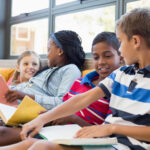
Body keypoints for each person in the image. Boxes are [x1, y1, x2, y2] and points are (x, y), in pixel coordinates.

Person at [2, 7, 150, 150]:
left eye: (121, 41)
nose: (120, 49)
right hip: (107, 143)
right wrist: (41, 119)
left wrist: (111, 128)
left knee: (41, 146)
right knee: (30, 144)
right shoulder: (122, 73)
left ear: (136, 41)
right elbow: (82, 99)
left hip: (124, 145)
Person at [0, 30, 85, 146]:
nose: (47, 54)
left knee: (2, 133)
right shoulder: (48, 70)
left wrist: (24, 96)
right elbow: (26, 87)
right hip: (12, 109)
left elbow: (63, 103)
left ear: (60, 51)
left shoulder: (71, 69)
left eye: (49, 49)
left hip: (31, 118)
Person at [51, 31, 122, 126]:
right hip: (57, 131)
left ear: (121, 57)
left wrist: (74, 119)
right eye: (96, 57)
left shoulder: (119, 91)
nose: (101, 62)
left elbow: (106, 131)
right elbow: (62, 109)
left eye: (107, 56)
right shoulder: (79, 82)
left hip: (85, 138)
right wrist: (49, 116)